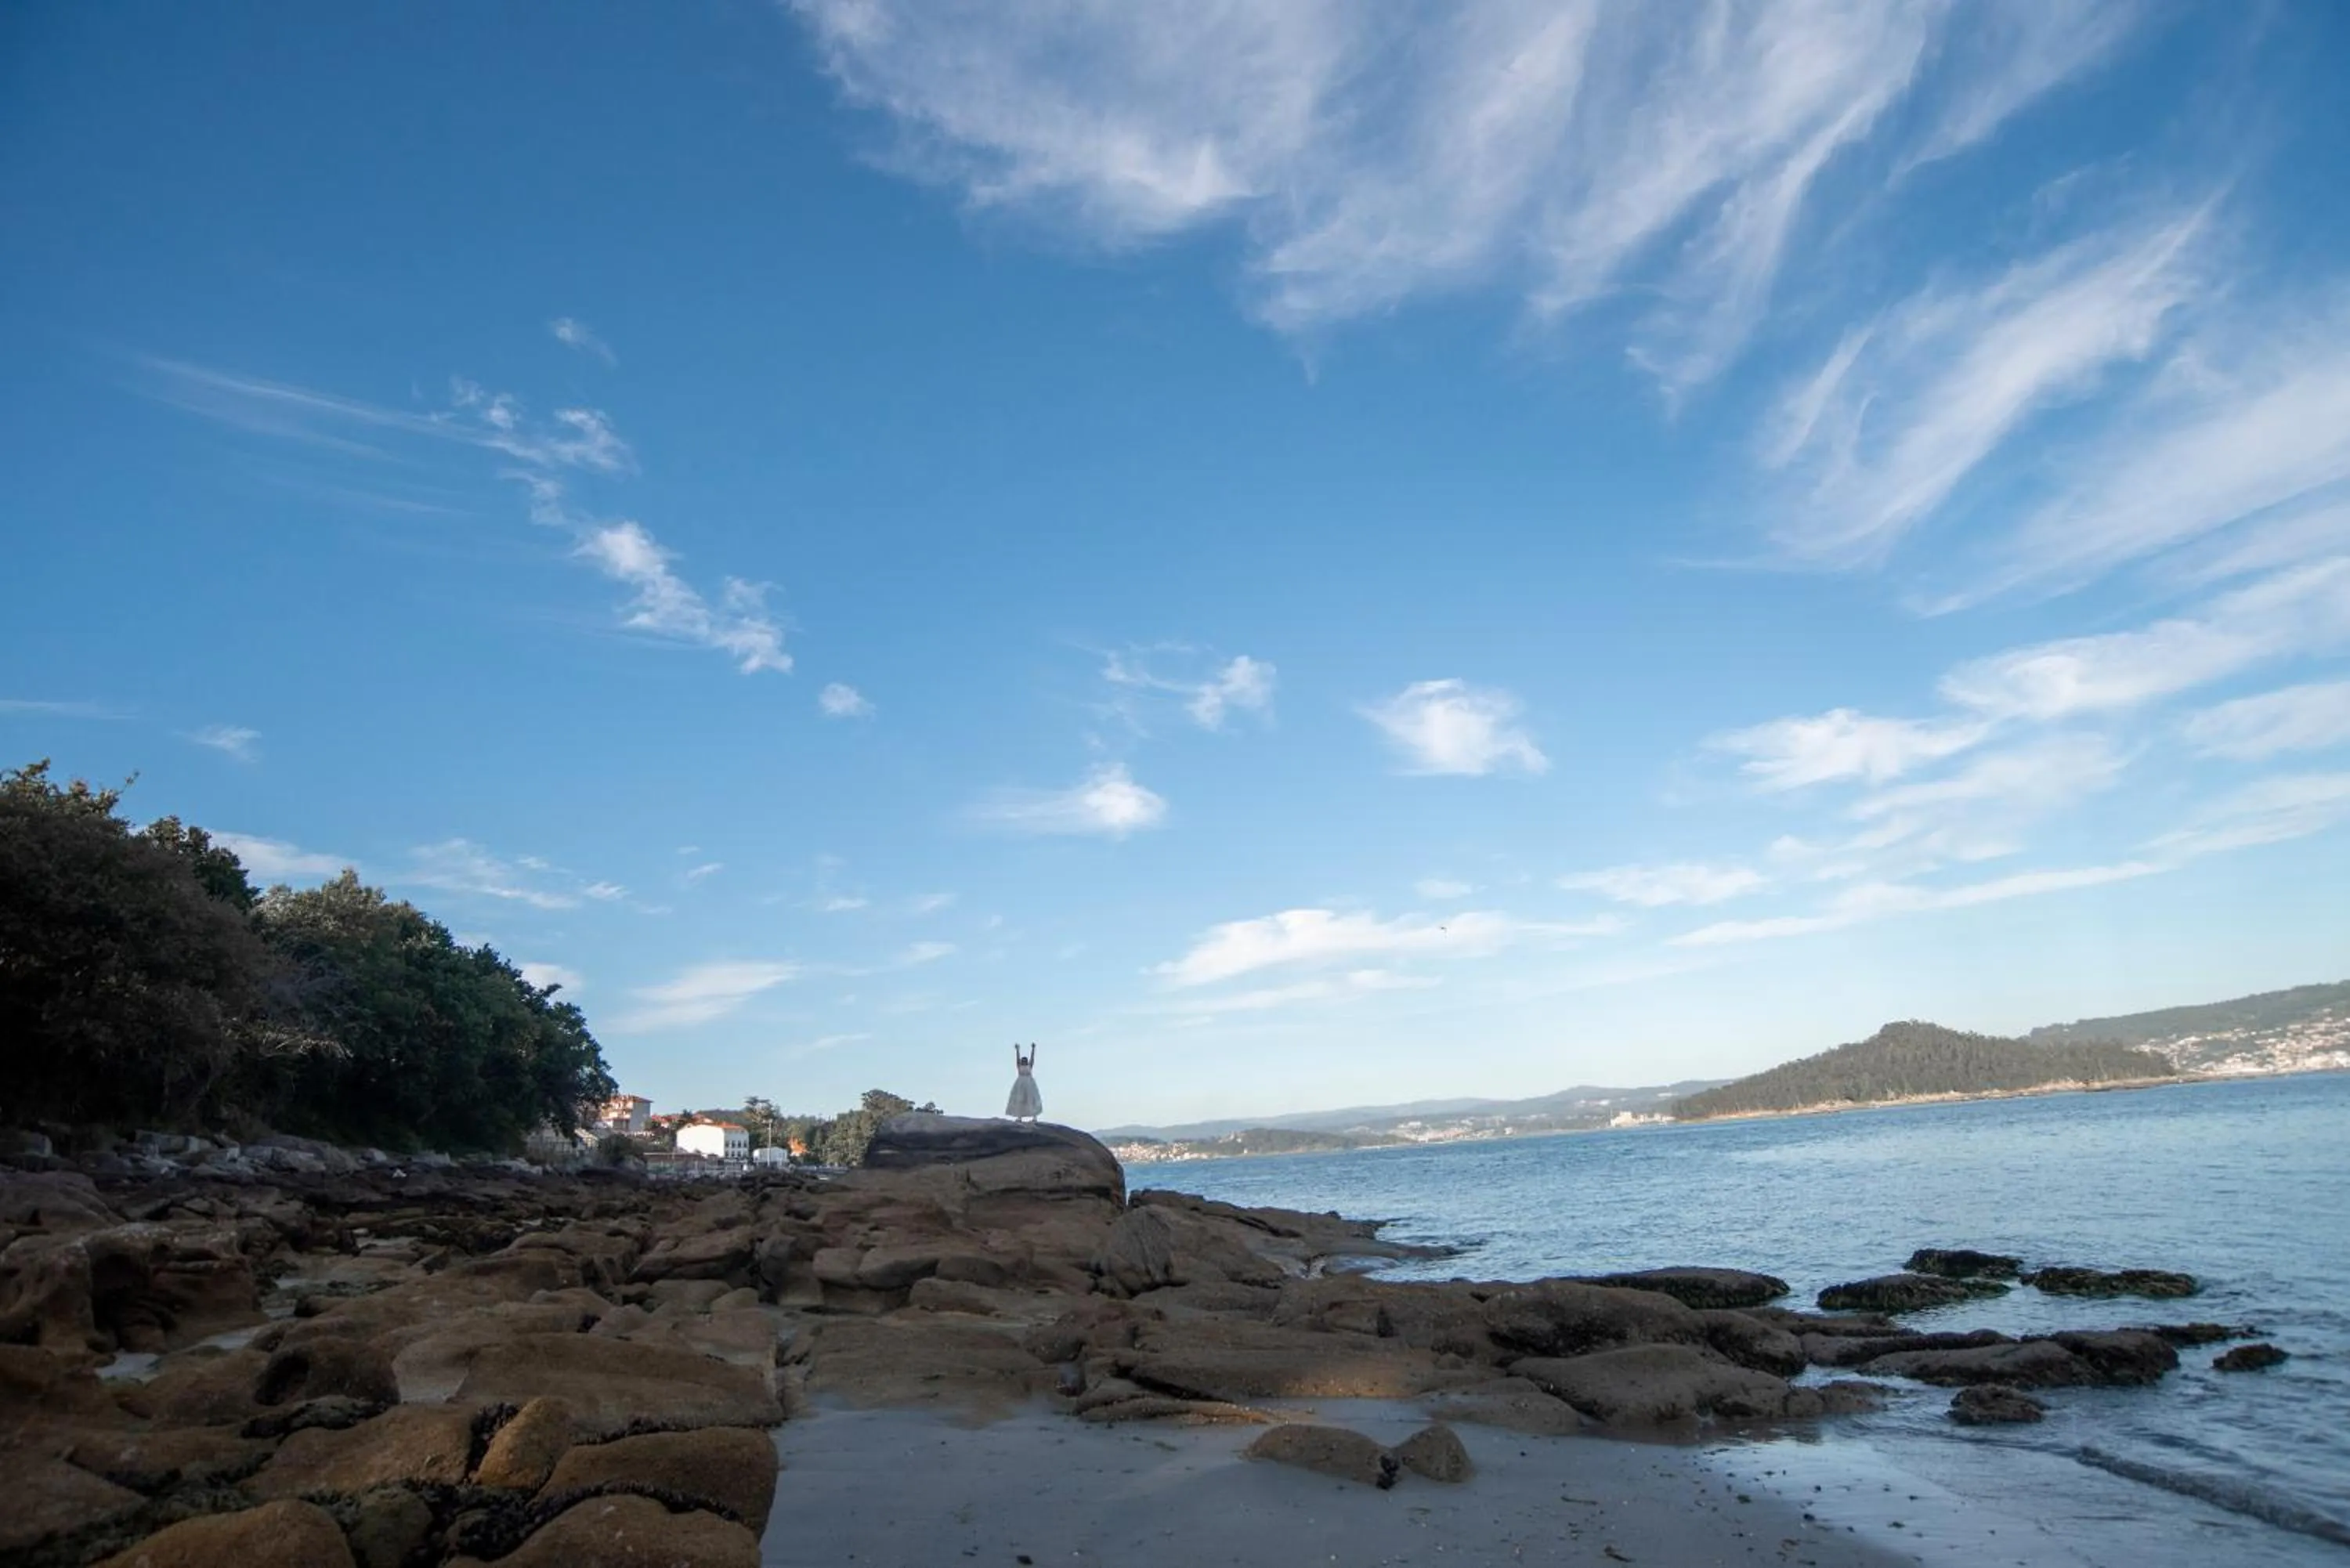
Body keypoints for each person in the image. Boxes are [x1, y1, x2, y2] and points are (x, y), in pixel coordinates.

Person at [1005, 1042, 1043, 1122]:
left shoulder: (1030, 1066)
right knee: (1020, 1100)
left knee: (1031, 1099)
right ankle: (1019, 1117)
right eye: (1023, 1060)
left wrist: (1033, 1049)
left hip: (1029, 1083)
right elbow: (1017, 1058)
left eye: (1025, 1060)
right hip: (1020, 1084)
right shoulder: (1019, 1066)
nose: (1024, 1061)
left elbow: (1032, 1058)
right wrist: (1017, 1050)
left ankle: (1034, 1117)